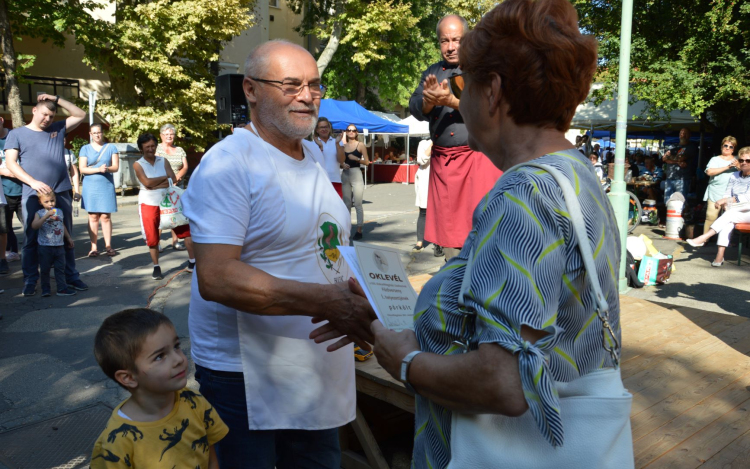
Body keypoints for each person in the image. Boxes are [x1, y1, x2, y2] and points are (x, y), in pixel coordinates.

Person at [314, 1, 632, 467]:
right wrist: (380, 324)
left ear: (494, 92)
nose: (459, 102)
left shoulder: (521, 193)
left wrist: (404, 361)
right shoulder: (574, 173)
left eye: (465, 86)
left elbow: (502, 382)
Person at [181, 39, 375, 468]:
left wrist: (367, 297)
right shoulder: (229, 163)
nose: (306, 96)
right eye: (290, 85)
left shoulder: (313, 156)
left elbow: (324, 247)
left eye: (314, 85)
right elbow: (216, 277)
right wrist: (328, 302)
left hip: (314, 364)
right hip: (246, 375)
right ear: (250, 90)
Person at [409, 14, 503, 260]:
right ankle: (454, 282)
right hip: (443, 164)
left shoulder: (484, 69)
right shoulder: (432, 72)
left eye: (456, 40)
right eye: (444, 41)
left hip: (477, 161)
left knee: (482, 231)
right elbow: (415, 104)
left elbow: (491, 110)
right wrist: (429, 103)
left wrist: (452, 101)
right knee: (449, 235)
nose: (450, 47)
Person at [91, 308, 228, 468]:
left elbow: (210, 456)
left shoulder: (193, 401)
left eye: (176, 346)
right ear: (128, 378)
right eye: (159, 356)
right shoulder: (115, 443)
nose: (178, 359)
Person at [4, 94, 89, 297]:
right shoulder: (17, 134)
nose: (47, 119)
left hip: (60, 192)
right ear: (34, 110)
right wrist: (32, 182)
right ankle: (31, 280)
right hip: (33, 195)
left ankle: (70, 276)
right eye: (44, 114)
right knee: (31, 238)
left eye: (51, 116)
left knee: (65, 235)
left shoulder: (57, 128)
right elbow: (11, 163)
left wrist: (56, 99)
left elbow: (80, 114)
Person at [133, 133, 195, 280]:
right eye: (147, 146)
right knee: (152, 235)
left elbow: (172, 179)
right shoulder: (138, 164)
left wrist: (157, 182)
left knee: (184, 228)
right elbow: (146, 183)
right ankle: (156, 267)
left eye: (153, 146)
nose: (150, 149)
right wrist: (163, 179)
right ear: (141, 148)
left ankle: (193, 262)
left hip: (168, 199)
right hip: (148, 202)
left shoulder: (163, 160)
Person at [687, 146, 750, 266]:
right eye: (741, 160)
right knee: (727, 220)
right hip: (737, 210)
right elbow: (727, 192)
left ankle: (704, 237)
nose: (744, 163)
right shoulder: (734, 175)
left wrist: (727, 200)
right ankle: (719, 256)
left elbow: (748, 197)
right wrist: (726, 202)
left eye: (748, 160)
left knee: (729, 215)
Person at [79, 124, 120, 257]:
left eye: (99, 132)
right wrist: (98, 169)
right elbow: (82, 169)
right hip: (90, 186)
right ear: (90, 134)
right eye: (94, 133)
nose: (97, 135)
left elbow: (116, 167)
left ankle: (108, 245)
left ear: (103, 133)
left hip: (106, 185)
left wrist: (107, 169)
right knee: (93, 216)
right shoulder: (85, 149)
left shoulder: (111, 147)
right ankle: (94, 246)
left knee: (106, 217)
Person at [30, 191, 76, 297]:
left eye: (52, 200)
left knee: (60, 268)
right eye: (46, 201)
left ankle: (62, 288)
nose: (50, 204)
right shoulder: (40, 213)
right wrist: (46, 216)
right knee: (45, 269)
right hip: (45, 246)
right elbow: (34, 226)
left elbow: (62, 225)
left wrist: (68, 237)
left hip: (59, 245)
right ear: (40, 202)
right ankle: (45, 289)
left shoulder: (59, 211)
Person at [156, 124, 189, 252]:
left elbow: (185, 166)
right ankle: (157, 242)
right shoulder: (157, 148)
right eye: (166, 134)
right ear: (161, 135)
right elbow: (156, 165)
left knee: (176, 213)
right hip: (162, 185)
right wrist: (169, 180)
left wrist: (177, 177)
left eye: (171, 134)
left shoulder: (179, 149)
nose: (169, 136)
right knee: (162, 214)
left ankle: (175, 241)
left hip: (177, 185)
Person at [702, 136, 738, 238]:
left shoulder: (738, 160)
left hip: (731, 194)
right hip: (715, 191)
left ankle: (726, 241)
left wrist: (738, 166)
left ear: (733, 149)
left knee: (728, 218)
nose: (727, 148)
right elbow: (709, 171)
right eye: (725, 145)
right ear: (721, 146)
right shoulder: (715, 159)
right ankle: (704, 239)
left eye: (731, 147)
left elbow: (745, 173)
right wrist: (728, 167)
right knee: (711, 216)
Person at [0, 115, 22, 266]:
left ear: (1, 120)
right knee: (5, 228)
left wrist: (17, 172)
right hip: (4, 192)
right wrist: (4, 172)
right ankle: (9, 254)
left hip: (24, 189)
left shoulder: (15, 136)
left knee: (32, 225)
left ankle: (39, 256)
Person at [341, 124, 369, 240]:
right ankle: (347, 228)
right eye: (349, 130)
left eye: (353, 130)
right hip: (345, 174)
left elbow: (367, 162)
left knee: (357, 204)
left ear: (357, 133)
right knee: (346, 204)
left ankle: (359, 229)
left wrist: (357, 159)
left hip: (356, 173)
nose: (351, 132)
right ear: (346, 132)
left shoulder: (360, 145)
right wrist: (342, 164)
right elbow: (339, 161)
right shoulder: (343, 146)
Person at [663, 127, 698, 204]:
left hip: (683, 179)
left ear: (689, 135)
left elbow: (682, 158)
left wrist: (671, 158)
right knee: (667, 201)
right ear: (679, 135)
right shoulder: (673, 146)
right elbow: (664, 158)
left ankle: (682, 215)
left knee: (680, 202)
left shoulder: (691, 147)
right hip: (670, 177)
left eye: (685, 133)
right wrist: (677, 162)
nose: (683, 135)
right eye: (681, 133)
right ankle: (668, 215)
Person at [313, 117, 345, 198]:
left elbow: (341, 160)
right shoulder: (312, 144)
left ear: (329, 128)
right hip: (320, 181)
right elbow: (313, 162)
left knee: (337, 208)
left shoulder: (337, 141)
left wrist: (337, 144)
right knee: (323, 209)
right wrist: (320, 147)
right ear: (317, 130)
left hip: (335, 180)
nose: (324, 129)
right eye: (321, 127)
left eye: (326, 127)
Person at [413, 138, 432, 253]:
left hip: (442, 178)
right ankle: (420, 241)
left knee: (441, 212)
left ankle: (439, 243)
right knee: (423, 211)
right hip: (426, 179)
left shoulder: (446, 141)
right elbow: (421, 160)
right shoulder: (423, 143)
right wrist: (432, 145)